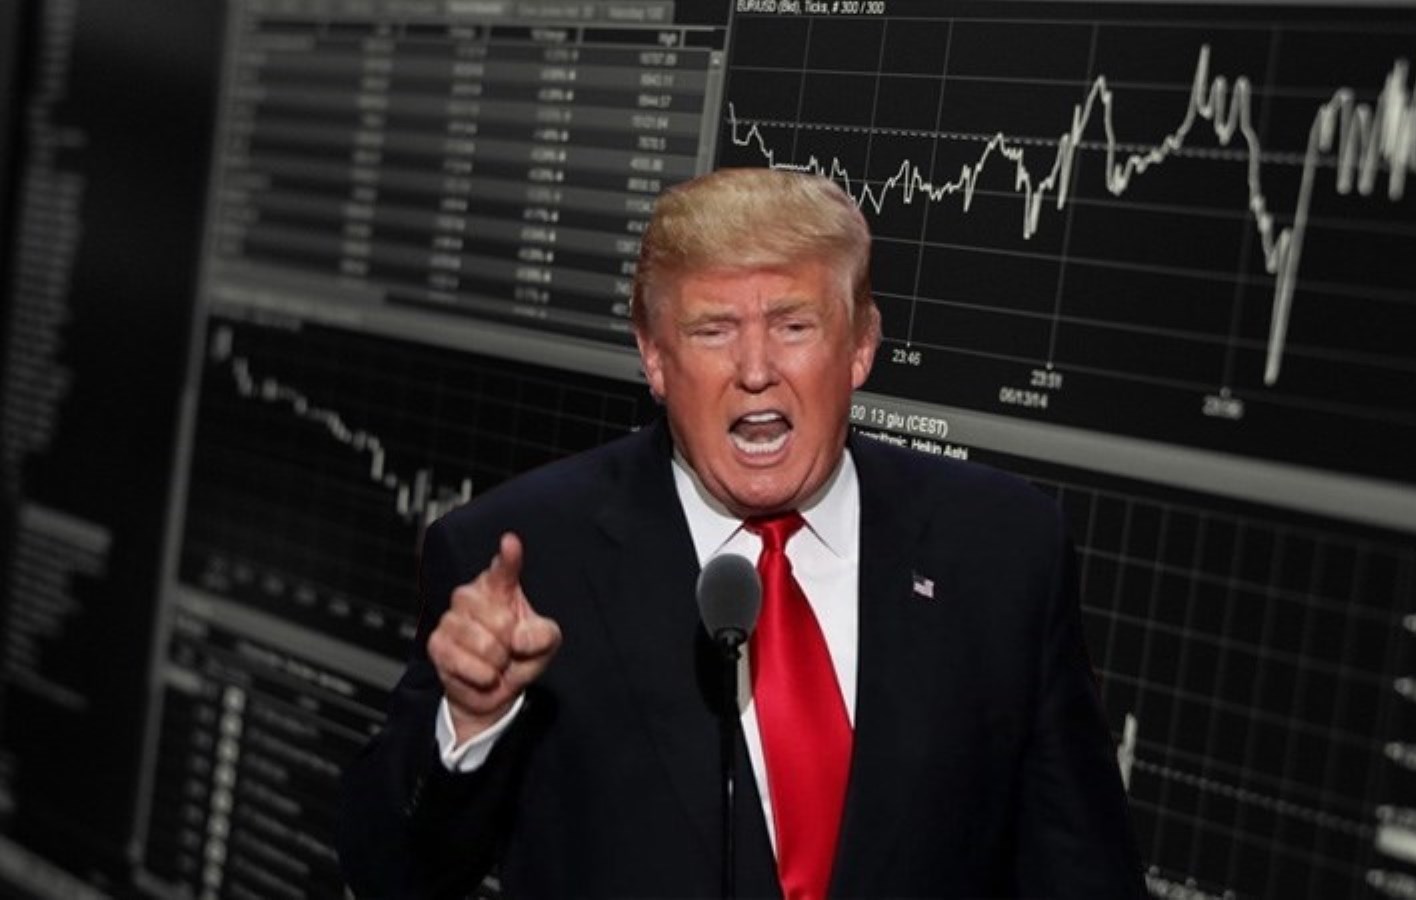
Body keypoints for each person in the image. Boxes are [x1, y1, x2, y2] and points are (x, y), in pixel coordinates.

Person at [337, 167, 1144, 898]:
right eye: (713, 330)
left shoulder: (1002, 548)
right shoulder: (525, 560)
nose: (756, 370)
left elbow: (1084, 872)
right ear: (654, 358)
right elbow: (388, 872)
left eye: (794, 325)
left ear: (862, 345)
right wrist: (471, 723)